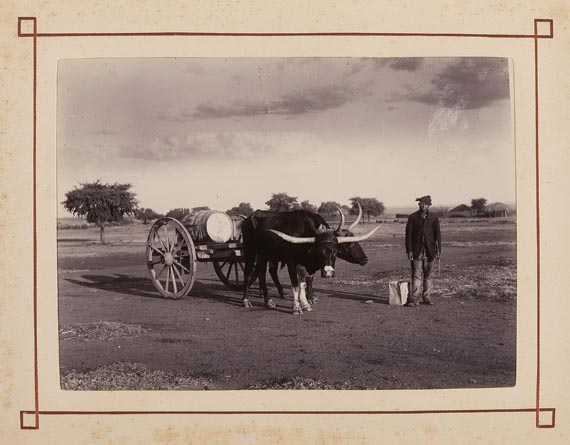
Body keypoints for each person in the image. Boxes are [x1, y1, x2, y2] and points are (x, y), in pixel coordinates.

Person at [405, 195, 441, 307]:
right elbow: (408, 236)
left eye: (424, 204)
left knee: (428, 276)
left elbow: (438, 236)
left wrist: (439, 250)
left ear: (428, 205)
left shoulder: (434, 218)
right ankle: (414, 299)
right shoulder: (412, 217)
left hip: (430, 252)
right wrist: (409, 251)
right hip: (416, 252)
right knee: (416, 275)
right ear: (418, 204)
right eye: (420, 203)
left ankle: (426, 298)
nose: (422, 205)